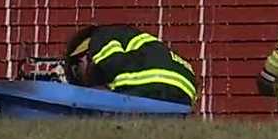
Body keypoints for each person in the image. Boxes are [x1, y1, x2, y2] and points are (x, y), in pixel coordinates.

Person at [64, 25, 197, 107]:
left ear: (83, 55)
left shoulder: (99, 37)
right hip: (185, 89)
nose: (83, 82)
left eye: (77, 72)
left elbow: (112, 65)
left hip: (150, 81)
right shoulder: (129, 39)